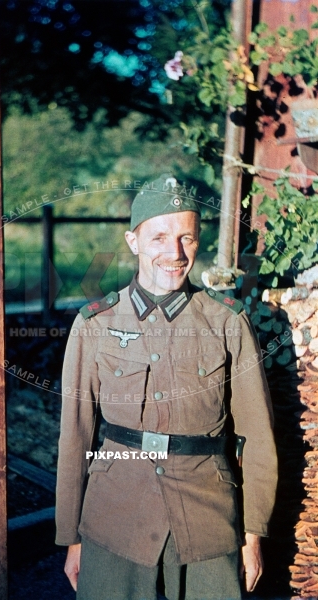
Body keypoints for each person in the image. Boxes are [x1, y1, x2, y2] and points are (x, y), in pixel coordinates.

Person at [55, 174, 278, 600]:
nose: (174, 254)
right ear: (133, 241)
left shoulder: (227, 322)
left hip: (207, 517)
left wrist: (252, 535)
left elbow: (257, 436)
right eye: (159, 238)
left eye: (186, 238)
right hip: (115, 515)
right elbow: (75, 435)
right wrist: (71, 536)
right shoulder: (95, 324)